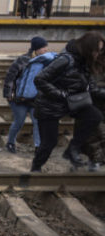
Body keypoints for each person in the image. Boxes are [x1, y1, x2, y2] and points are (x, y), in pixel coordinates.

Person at [31, 31, 105, 172]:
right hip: (50, 106)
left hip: (71, 103)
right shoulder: (66, 59)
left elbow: (93, 89)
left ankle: (72, 149)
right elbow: (40, 79)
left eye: (100, 51)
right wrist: (60, 94)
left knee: (94, 116)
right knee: (49, 143)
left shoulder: (85, 62)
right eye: (96, 51)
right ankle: (36, 168)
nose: (97, 54)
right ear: (88, 48)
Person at [3, 36, 52, 154]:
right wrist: (8, 94)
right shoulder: (23, 60)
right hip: (19, 98)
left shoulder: (46, 62)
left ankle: (38, 146)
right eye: (43, 47)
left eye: (46, 47)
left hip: (35, 99)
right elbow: (10, 77)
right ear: (36, 48)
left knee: (37, 122)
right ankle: (10, 142)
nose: (46, 49)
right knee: (19, 121)